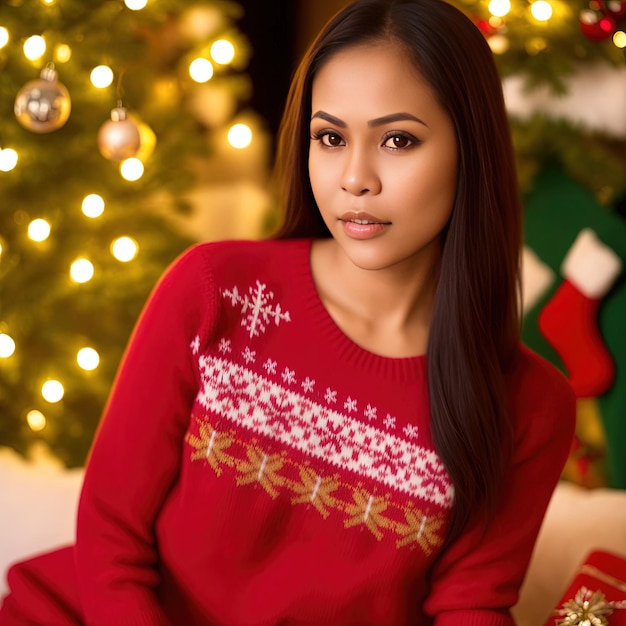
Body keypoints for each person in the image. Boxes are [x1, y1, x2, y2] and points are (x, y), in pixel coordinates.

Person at [0, 0, 576, 624]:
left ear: (472, 151)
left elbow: (469, 609)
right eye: (330, 138)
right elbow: (112, 534)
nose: (355, 178)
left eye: (398, 140)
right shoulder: (216, 291)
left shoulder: (529, 406)